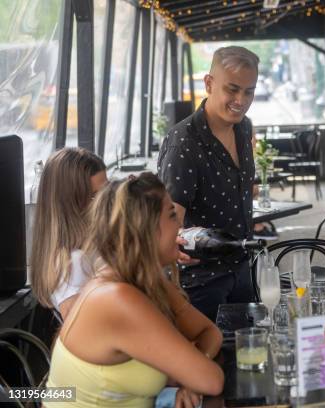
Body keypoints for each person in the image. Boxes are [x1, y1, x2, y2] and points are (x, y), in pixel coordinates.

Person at [46, 173, 224, 407]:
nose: (180, 224)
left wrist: (189, 380)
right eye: (171, 215)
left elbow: (209, 332)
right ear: (146, 228)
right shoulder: (117, 299)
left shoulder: (143, 281)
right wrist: (192, 375)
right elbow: (212, 380)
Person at [158, 46, 259, 320]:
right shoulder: (184, 143)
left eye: (249, 91)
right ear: (209, 84)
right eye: (233, 89)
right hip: (201, 283)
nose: (241, 100)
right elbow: (168, 220)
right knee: (212, 360)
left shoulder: (244, 127)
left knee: (248, 355)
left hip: (242, 268)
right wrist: (175, 244)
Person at [30, 147, 107, 321]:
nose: (105, 202)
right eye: (95, 196)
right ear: (71, 203)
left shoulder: (86, 249)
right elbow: (87, 338)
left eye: (107, 191)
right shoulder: (75, 264)